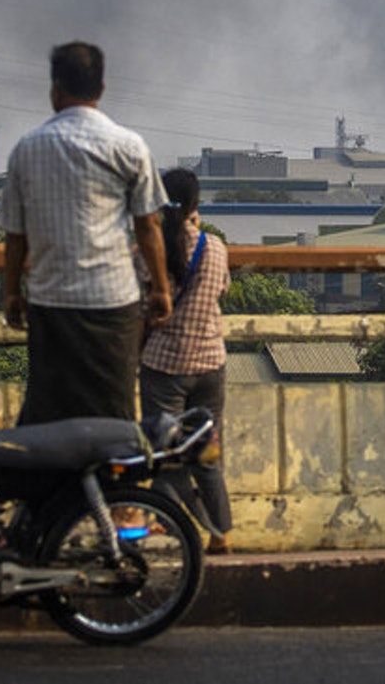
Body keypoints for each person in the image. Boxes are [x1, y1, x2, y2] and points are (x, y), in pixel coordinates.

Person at [1, 41, 171, 426]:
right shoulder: (129, 146)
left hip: (51, 301)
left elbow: (15, 236)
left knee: (50, 412)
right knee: (113, 409)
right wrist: (161, 288)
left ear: (55, 89)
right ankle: (113, 484)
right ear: (102, 89)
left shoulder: (26, 149)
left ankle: (56, 486)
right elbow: (148, 227)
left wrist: (12, 292)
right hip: (113, 302)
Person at [139, 168, 234, 553]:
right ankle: (220, 534)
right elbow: (222, 288)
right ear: (196, 205)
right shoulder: (216, 248)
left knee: (164, 452)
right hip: (211, 363)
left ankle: (162, 521)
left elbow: (140, 298)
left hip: (164, 366)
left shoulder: (149, 249)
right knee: (207, 453)